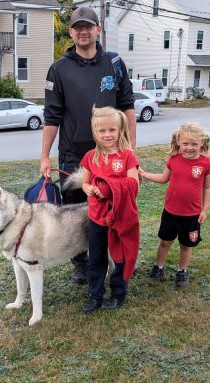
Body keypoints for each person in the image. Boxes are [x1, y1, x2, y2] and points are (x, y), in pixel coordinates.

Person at [41, 6, 136, 284]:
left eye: (88, 26)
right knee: (74, 212)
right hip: (72, 154)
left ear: (97, 30)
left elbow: (128, 107)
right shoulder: (59, 69)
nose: (83, 32)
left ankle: (111, 258)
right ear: (71, 32)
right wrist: (45, 156)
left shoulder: (114, 63)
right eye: (77, 27)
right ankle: (81, 263)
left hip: (111, 154)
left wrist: (130, 149)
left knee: (111, 206)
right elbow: (51, 116)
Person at [139, 122, 210, 287]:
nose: (189, 147)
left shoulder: (206, 164)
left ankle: (182, 271)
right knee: (165, 242)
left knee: (186, 245)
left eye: (194, 144)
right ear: (178, 142)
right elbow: (163, 178)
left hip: (192, 215)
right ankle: (158, 267)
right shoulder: (173, 159)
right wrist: (144, 174)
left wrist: (205, 210)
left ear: (202, 143)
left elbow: (207, 188)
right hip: (170, 212)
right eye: (185, 143)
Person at [80, 106, 139, 312]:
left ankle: (118, 293)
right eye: (102, 131)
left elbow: (134, 184)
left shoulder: (127, 156)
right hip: (96, 217)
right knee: (96, 257)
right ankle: (95, 294)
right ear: (95, 132)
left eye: (112, 130)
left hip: (120, 217)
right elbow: (85, 183)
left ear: (120, 129)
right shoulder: (90, 157)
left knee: (119, 255)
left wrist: (109, 189)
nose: (107, 135)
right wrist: (90, 189)